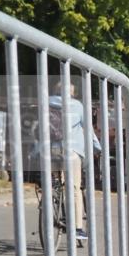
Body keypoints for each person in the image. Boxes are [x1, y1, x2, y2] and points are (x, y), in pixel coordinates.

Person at [41, 83, 100, 241]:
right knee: (73, 188)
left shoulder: (45, 102)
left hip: (50, 150)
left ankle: (54, 202)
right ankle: (78, 229)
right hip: (71, 151)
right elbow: (88, 129)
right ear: (72, 93)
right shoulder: (77, 106)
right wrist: (97, 147)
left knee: (54, 183)